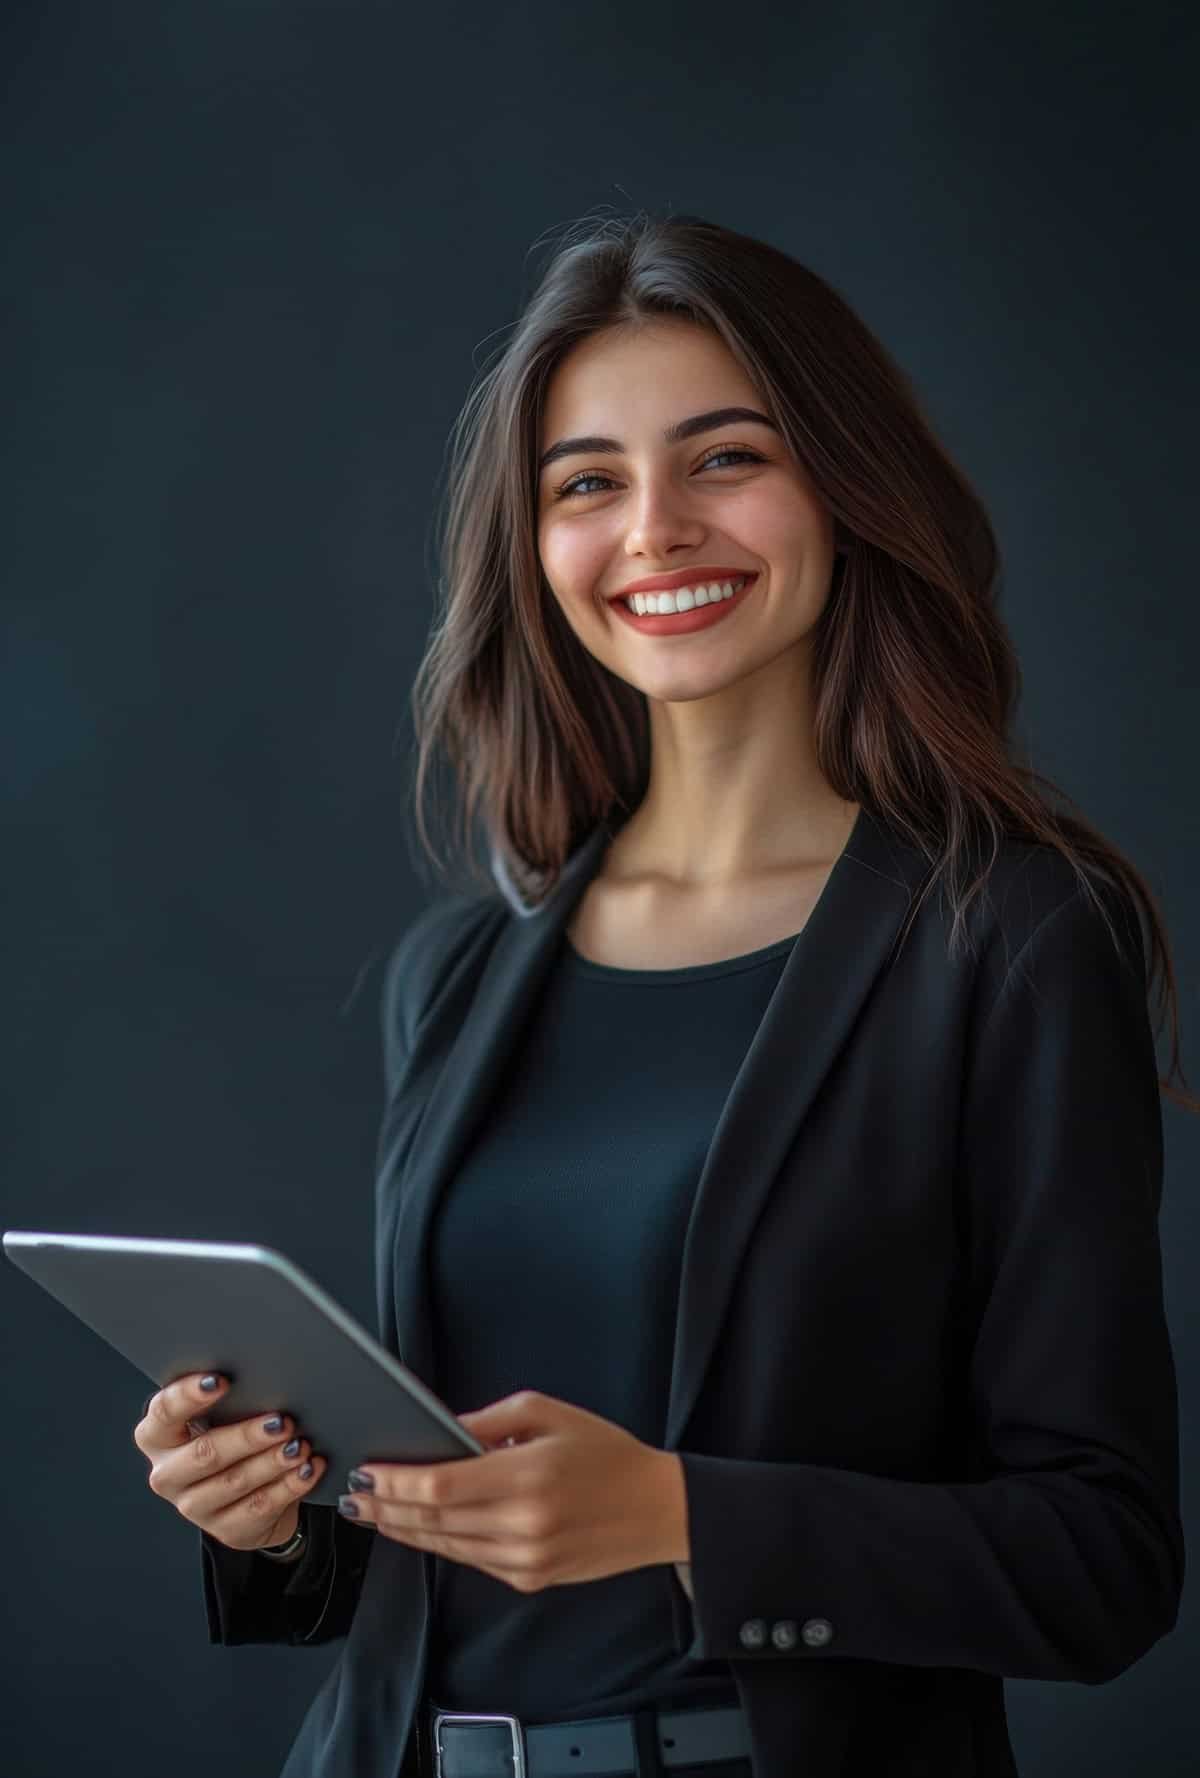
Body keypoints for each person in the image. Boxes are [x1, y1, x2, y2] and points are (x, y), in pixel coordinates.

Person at [134, 210, 1193, 1778]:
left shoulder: (1010, 938)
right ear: (535, 540)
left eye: (724, 458)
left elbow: (1103, 1562)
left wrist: (689, 1516)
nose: (653, 530)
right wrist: (277, 1512)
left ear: (844, 483)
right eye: (588, 484)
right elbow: (425, 1546)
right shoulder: (464, 972)